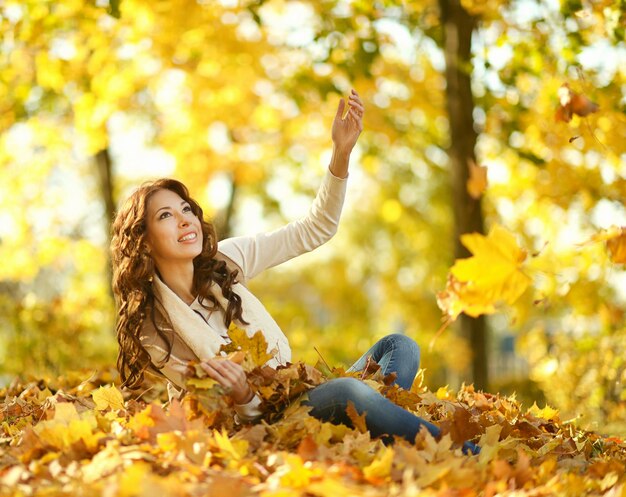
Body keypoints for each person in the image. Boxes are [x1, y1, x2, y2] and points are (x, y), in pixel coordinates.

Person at [110, 90, 479, 455]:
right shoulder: (153, 324)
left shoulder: (224, 260)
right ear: (143, 241)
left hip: (299, 397)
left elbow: (314, 228)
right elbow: (220, 417)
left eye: (185, 209)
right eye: (165, 216)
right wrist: (243, 396)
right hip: (260, 427)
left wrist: (341, 153)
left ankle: (375, 430)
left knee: (399, 347)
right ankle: (461, 453)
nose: (185, 220)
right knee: (350, 393)